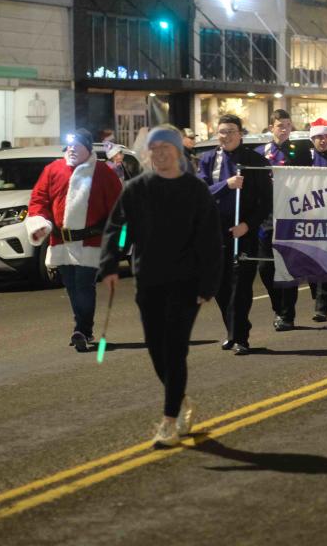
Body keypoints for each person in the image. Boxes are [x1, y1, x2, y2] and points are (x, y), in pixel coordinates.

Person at [100, 126, 223, 448]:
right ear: (149, 153)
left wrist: (209, 284)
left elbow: (211, 240)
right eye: (154, 149)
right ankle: (180, 400)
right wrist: (110, 264)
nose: (161, 153)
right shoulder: (136, 189)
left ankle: (169, 421)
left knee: (175, 347)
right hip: (149, 280)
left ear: (177, 152)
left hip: (186, 282)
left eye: (166, 148)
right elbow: (118, 228)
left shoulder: (195, 191)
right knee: (156, 349)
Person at [25, 129, 123, 351]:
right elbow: (38, 199)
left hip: (91, 243)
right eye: (69, 146)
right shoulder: (53, 170)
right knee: (71, 286)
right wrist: (40, 222)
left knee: (84, 285)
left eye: (76, 146)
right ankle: (82, 326)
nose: (71, 149)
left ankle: (82, 329)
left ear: (87, 149)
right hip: (61, 243)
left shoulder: (102, 173)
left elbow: (119, 207)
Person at [197, 114, 271, 355]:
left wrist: (248, 225)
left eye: (230, 131)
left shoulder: (254, 161)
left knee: (240, 286)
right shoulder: (208, 159)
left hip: (243, 231)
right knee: (220, 287)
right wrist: (226, 185)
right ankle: (234, 328)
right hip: (215, 231)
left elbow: (265, 201)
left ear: (240, 134)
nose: (225, 136)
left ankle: (241, 337)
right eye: (221, 132)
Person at [257, 109, 308, 332]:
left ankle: (287, 315)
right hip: (267, 216)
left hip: (291, 215)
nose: (285, 129)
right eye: (280, 125)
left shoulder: (301, 152)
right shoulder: (260, 153)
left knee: (288, 267)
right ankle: (278, 306)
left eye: (288, 125)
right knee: (265, 267)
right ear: (271, 128)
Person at [299, 119, 327, 322]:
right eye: (318, 137)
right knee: (310, 261)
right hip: (309, 215)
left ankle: (322, 307)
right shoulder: (303, 158)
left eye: (326, 136)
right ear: (312, 139)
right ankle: (317, 296)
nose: (322, 140)